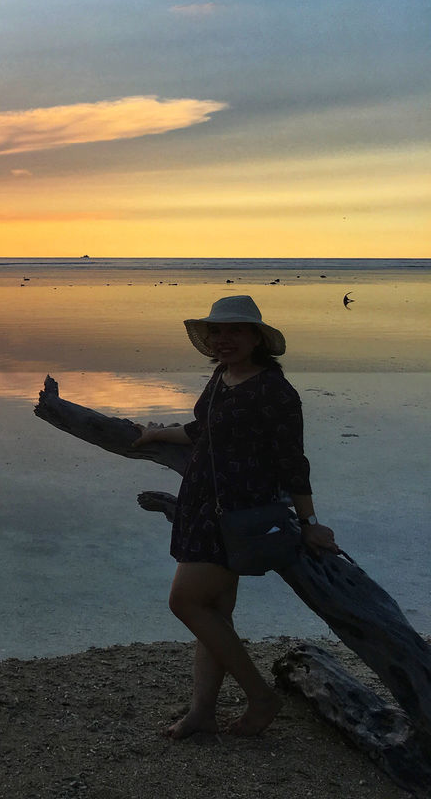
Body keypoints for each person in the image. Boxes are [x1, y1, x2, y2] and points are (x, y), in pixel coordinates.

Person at [132, 295, 339, 738]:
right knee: (215, 612)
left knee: (185, 602)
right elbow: (202, 430)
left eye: (235, 331)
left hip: (239, 513)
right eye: (217, 332)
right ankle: (202, 713)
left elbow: (292, 462)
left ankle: (261, 696)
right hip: (201, 504)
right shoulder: (221, 376)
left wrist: (308, 522)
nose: (223, 339)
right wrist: (155, 433)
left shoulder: (275, 391)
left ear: (256, 338)